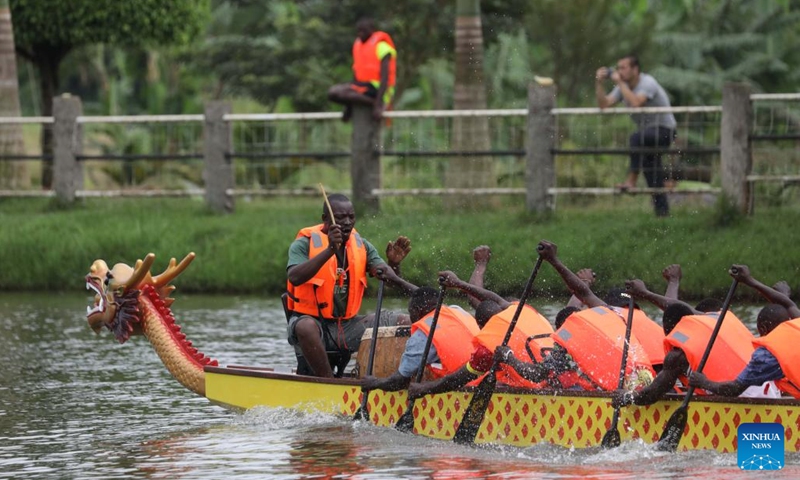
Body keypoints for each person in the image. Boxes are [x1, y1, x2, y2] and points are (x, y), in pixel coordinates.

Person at [285, 193, 411, 378]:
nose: (347, 222)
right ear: (325, 219)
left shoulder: (362, 245)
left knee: (405, 322)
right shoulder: (304, 243)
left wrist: (393, 265)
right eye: (340, 217)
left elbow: (387, 278)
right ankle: (328, 384)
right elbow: (294, 277)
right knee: (305, 326)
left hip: (348, 326)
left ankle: (392, 379)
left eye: (351, 217)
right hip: (315, 326)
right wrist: (330, 250)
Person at [613, 273, 761, 408]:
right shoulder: (720, 320)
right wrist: (646, 294)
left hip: (742, 402)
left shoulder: (677, 356)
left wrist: (626, 397)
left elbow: (650, 395)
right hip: (769, 391)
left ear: (671, 331)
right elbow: (683, 309)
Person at [406, 269, 554, 400]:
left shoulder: (489, 346)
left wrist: (424, 389)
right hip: (560, 376)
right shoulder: (519, 311)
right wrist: (459, 283)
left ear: (481, 326)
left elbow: (458, 379)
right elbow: (494, 298)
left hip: (536, 387)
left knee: (491, 376)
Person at [537, 240, 666, 370]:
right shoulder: (643, 318)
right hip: (663, 375)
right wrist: (673, 281)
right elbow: (675, 309)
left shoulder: (612, 315)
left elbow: (574, 308)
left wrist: (553, 260)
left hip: (635, 376)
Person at [689, 265, 800, 398]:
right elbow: (789, 305)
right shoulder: (797, 324)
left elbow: (734, 389)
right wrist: (749, 280)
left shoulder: (767, 356)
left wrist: (704, 382)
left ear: (763, 329)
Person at [596, 54, 677, 217]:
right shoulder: (623, 87)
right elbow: (604, 105)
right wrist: (598, 83)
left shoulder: (648, 83)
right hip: (647, 135)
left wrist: (619, 83)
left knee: (635, 138)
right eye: (618, 68)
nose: (619, 71)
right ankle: (662, 214)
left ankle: (631, 181)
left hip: (664, 130)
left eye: (623, 67)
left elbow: (636, 103)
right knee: (651, 172)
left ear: (635, 69)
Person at [360, 283, 480, 393]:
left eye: (410, 312)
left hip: (466, 386)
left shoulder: (423, 335)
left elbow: (400, 381)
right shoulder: (457, 310)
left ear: (418, 311)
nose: (410, 316)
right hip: (488, 378)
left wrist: (374, 383)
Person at [328, 17, 396, 122]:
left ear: (372, 30)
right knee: (334, 92)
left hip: (378, 89)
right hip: (363, 87)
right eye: (358, 31)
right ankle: (358, 105)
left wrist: (378, 104)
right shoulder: (358, 46)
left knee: (344, 94)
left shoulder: (382, 47)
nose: (360, 34)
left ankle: (376, 103)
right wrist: (348, 105)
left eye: (364, 31)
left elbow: (385, 78)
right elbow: (356, 74)